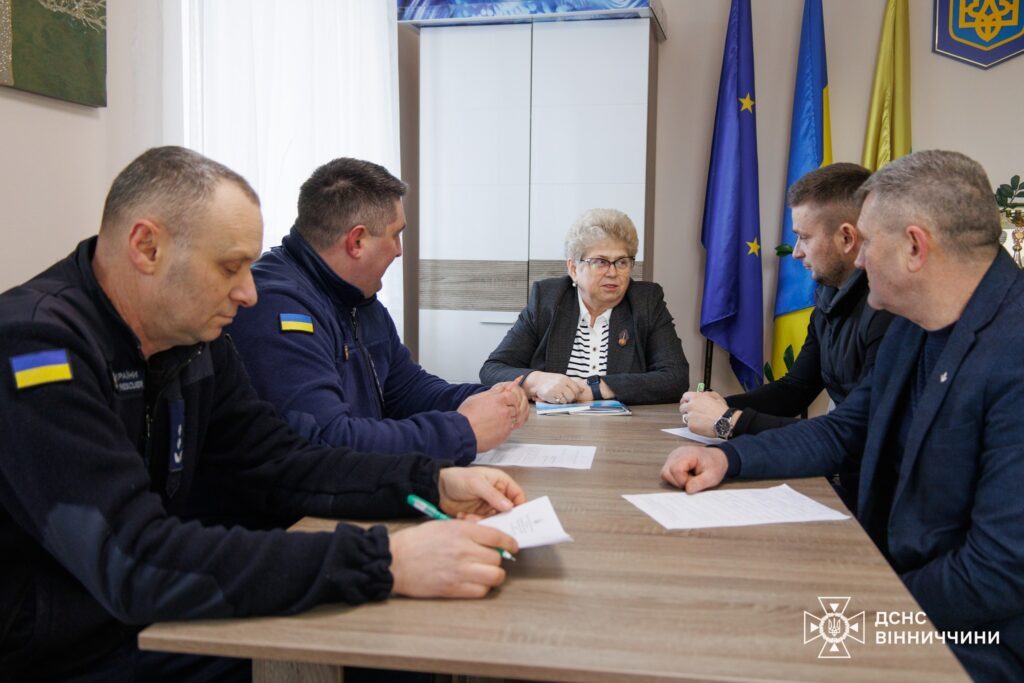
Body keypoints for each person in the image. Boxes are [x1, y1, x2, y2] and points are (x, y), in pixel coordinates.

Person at [0, 147, 526, 681]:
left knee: (397, 636)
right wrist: (387, 559)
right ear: (146, 247)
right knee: (375, 644)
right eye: (230, 267)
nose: (249, 293)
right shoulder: (36, 348)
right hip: (61, 650)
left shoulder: (194, 341)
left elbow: (283, 461)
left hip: (143, 612)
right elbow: (131, 557)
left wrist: (430, 483)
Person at [662, 150, 1024, 681]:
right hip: (891, 579)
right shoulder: (915, 320)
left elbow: (997, 571)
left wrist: (855, 609)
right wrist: (728, 459)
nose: (859, 261)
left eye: (869, 243)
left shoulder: (1013, 350)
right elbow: (845, 430)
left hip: (974, 637)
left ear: (915, 248)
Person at [227, 158, 527, 466]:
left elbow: (407, 389)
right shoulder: (274, 306)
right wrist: (462, 431)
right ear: (356, 241)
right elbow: (327, 440)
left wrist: (488, 398)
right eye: (395, 234)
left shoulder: (357, 298)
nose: (399, 250)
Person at [680, 163, 892, 502]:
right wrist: (718, 406)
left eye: (804, 237)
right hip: (847, 479)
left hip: (875, 495)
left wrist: (729, 421)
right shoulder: (829, 297)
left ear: (847, 238)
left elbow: (856, 435)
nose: (795, 252)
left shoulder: (888, 311)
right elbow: (796, 389)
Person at [480, 208, 688, 405]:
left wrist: (598, 388)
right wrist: (536, 381)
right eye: (600, 262)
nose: (613, 273)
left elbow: (676, 377)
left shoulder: (646, 301)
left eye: (622, 262)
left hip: (622, 427)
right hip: (551, 425)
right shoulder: (547, 300)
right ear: (573, 269)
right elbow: (492, 370)